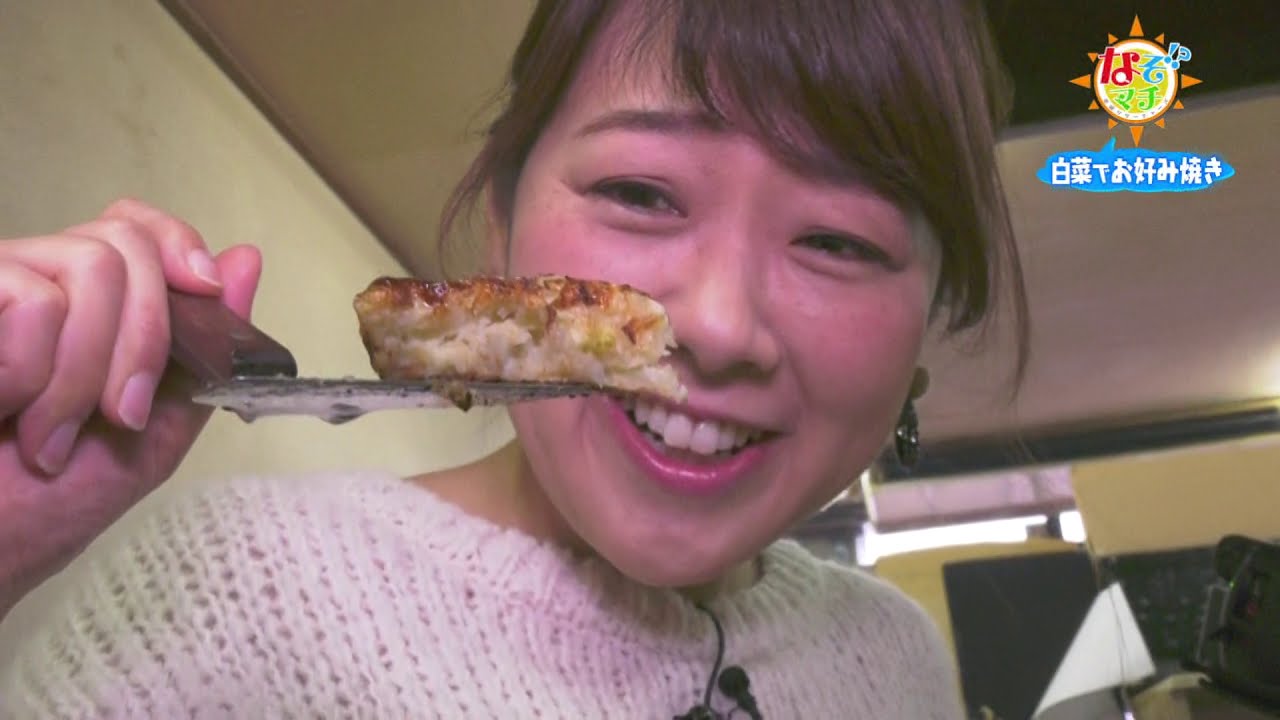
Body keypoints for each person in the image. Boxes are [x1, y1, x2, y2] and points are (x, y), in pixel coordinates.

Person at [0, 0, 1027, 717]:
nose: (718, 324)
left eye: (838, 243)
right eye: (639, 193)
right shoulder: (230, 591)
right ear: (501, 226)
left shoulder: (893, 661)